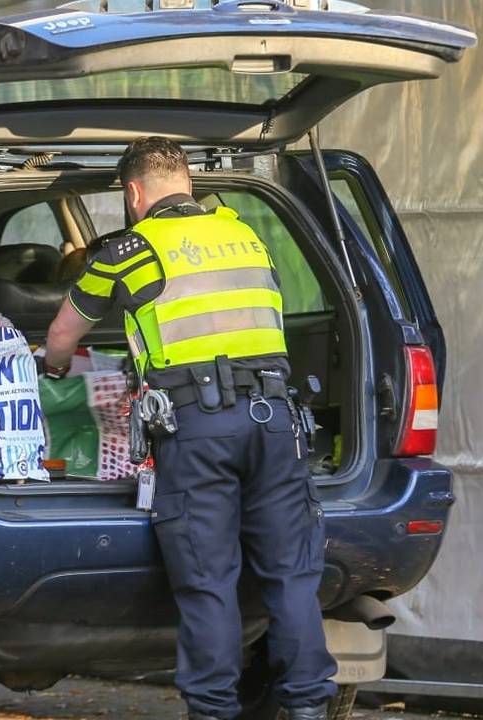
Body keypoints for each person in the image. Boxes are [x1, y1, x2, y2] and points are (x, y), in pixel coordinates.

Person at [42, 137, 337, 720]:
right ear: (187, 181)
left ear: (132, 192)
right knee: (291, 576)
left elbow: (60, 337)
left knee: (208, 582)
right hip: (278, 423)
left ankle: (213, 711)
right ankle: (307, 709)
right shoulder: (245, 234)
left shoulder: (130, 249)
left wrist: (52, 369)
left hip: (199, 429)